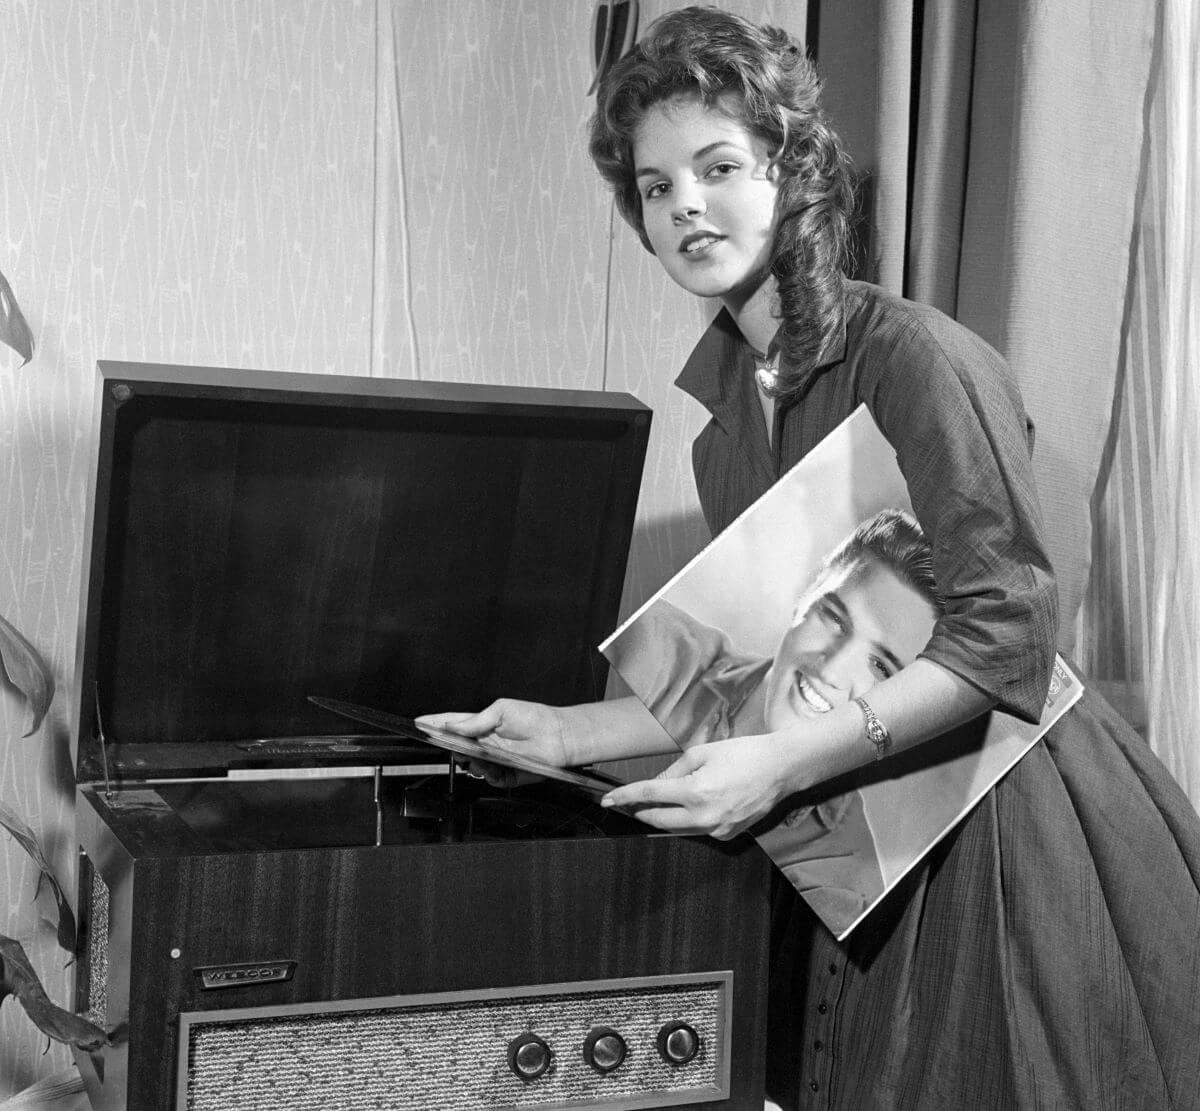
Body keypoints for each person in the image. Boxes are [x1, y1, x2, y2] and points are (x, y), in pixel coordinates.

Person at [421, 8, 1200, 1108]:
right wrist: (565, 731)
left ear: (794, 169)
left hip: (999, 830)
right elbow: (751, 684)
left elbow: (1007, 639)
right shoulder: (722, 422)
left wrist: (783, 765)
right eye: (654, 187)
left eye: (719, 165)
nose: (686, 204)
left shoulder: (916, 358)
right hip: (861, 832)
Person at [606, 508, 941, 933]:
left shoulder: (849, 885)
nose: (832, 670)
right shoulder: (655, 644)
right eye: (835, 618)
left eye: (881, 666)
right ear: (805, 594)